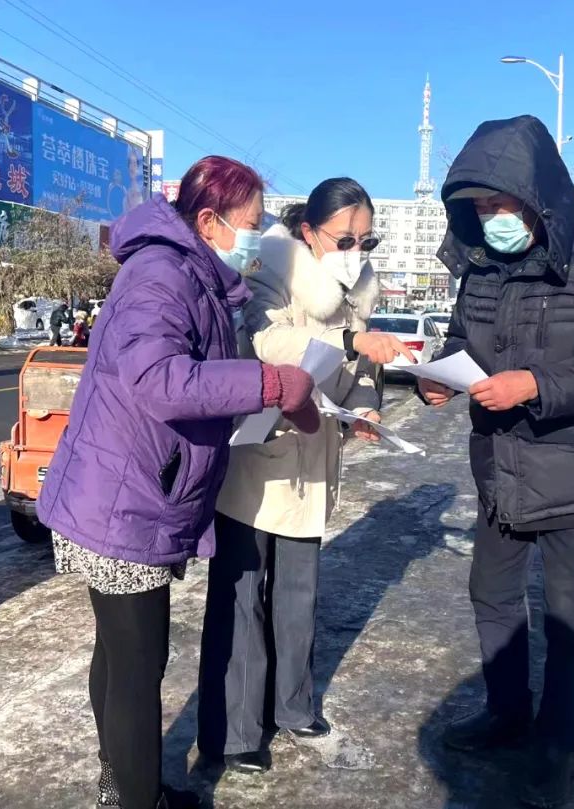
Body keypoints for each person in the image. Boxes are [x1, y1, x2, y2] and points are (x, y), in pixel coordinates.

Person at [36, 155, 321, 809]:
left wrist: (267, 393)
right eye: (249, 225)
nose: (255, 238)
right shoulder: (162, 274)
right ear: (208, 220)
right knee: (138, 668)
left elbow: (207, 370)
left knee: (118, 657)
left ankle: (121, 781)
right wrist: (271, 383)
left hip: (124, 492)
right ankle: (138, 797)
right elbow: (160, 379)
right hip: (124, 503)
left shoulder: (195, 276)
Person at [417, 116, 574, 807]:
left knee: (569, 615)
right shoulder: (481, 264)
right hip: (503, 466)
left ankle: (558, 747)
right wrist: (442, 378)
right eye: (479, 208)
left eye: (501, 204)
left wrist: (537, 386)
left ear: (537, 194)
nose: (491, 220)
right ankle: (505, 711)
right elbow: (465, 338)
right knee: (491, 594)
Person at [198, 178, 417, 774]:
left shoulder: (358, 289)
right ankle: (239, 730)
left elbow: (358, 369)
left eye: (365, 240)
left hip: (315, 457)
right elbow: (266, 338)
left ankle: (293, 705)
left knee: (298, 594)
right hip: (260, 455)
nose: (355, 250)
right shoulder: (272, 267)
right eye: (344, 237)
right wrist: (348, 339)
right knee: (243, 596)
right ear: (308, 231)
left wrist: (367, 406)